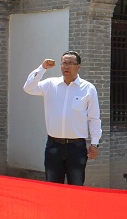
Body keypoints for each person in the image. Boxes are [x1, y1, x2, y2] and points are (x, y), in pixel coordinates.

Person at [23, 51, 102, 186]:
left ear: (78, 66)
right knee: (53, 187)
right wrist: (42, 68)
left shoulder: (88, 88)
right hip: (54, 146)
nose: (67, 66)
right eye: (64, 63)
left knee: (76, 187)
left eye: (71, 63)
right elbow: (28, 88)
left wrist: (94, 144)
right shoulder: (50, 84)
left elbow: (94, 118)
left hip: (76, 147)